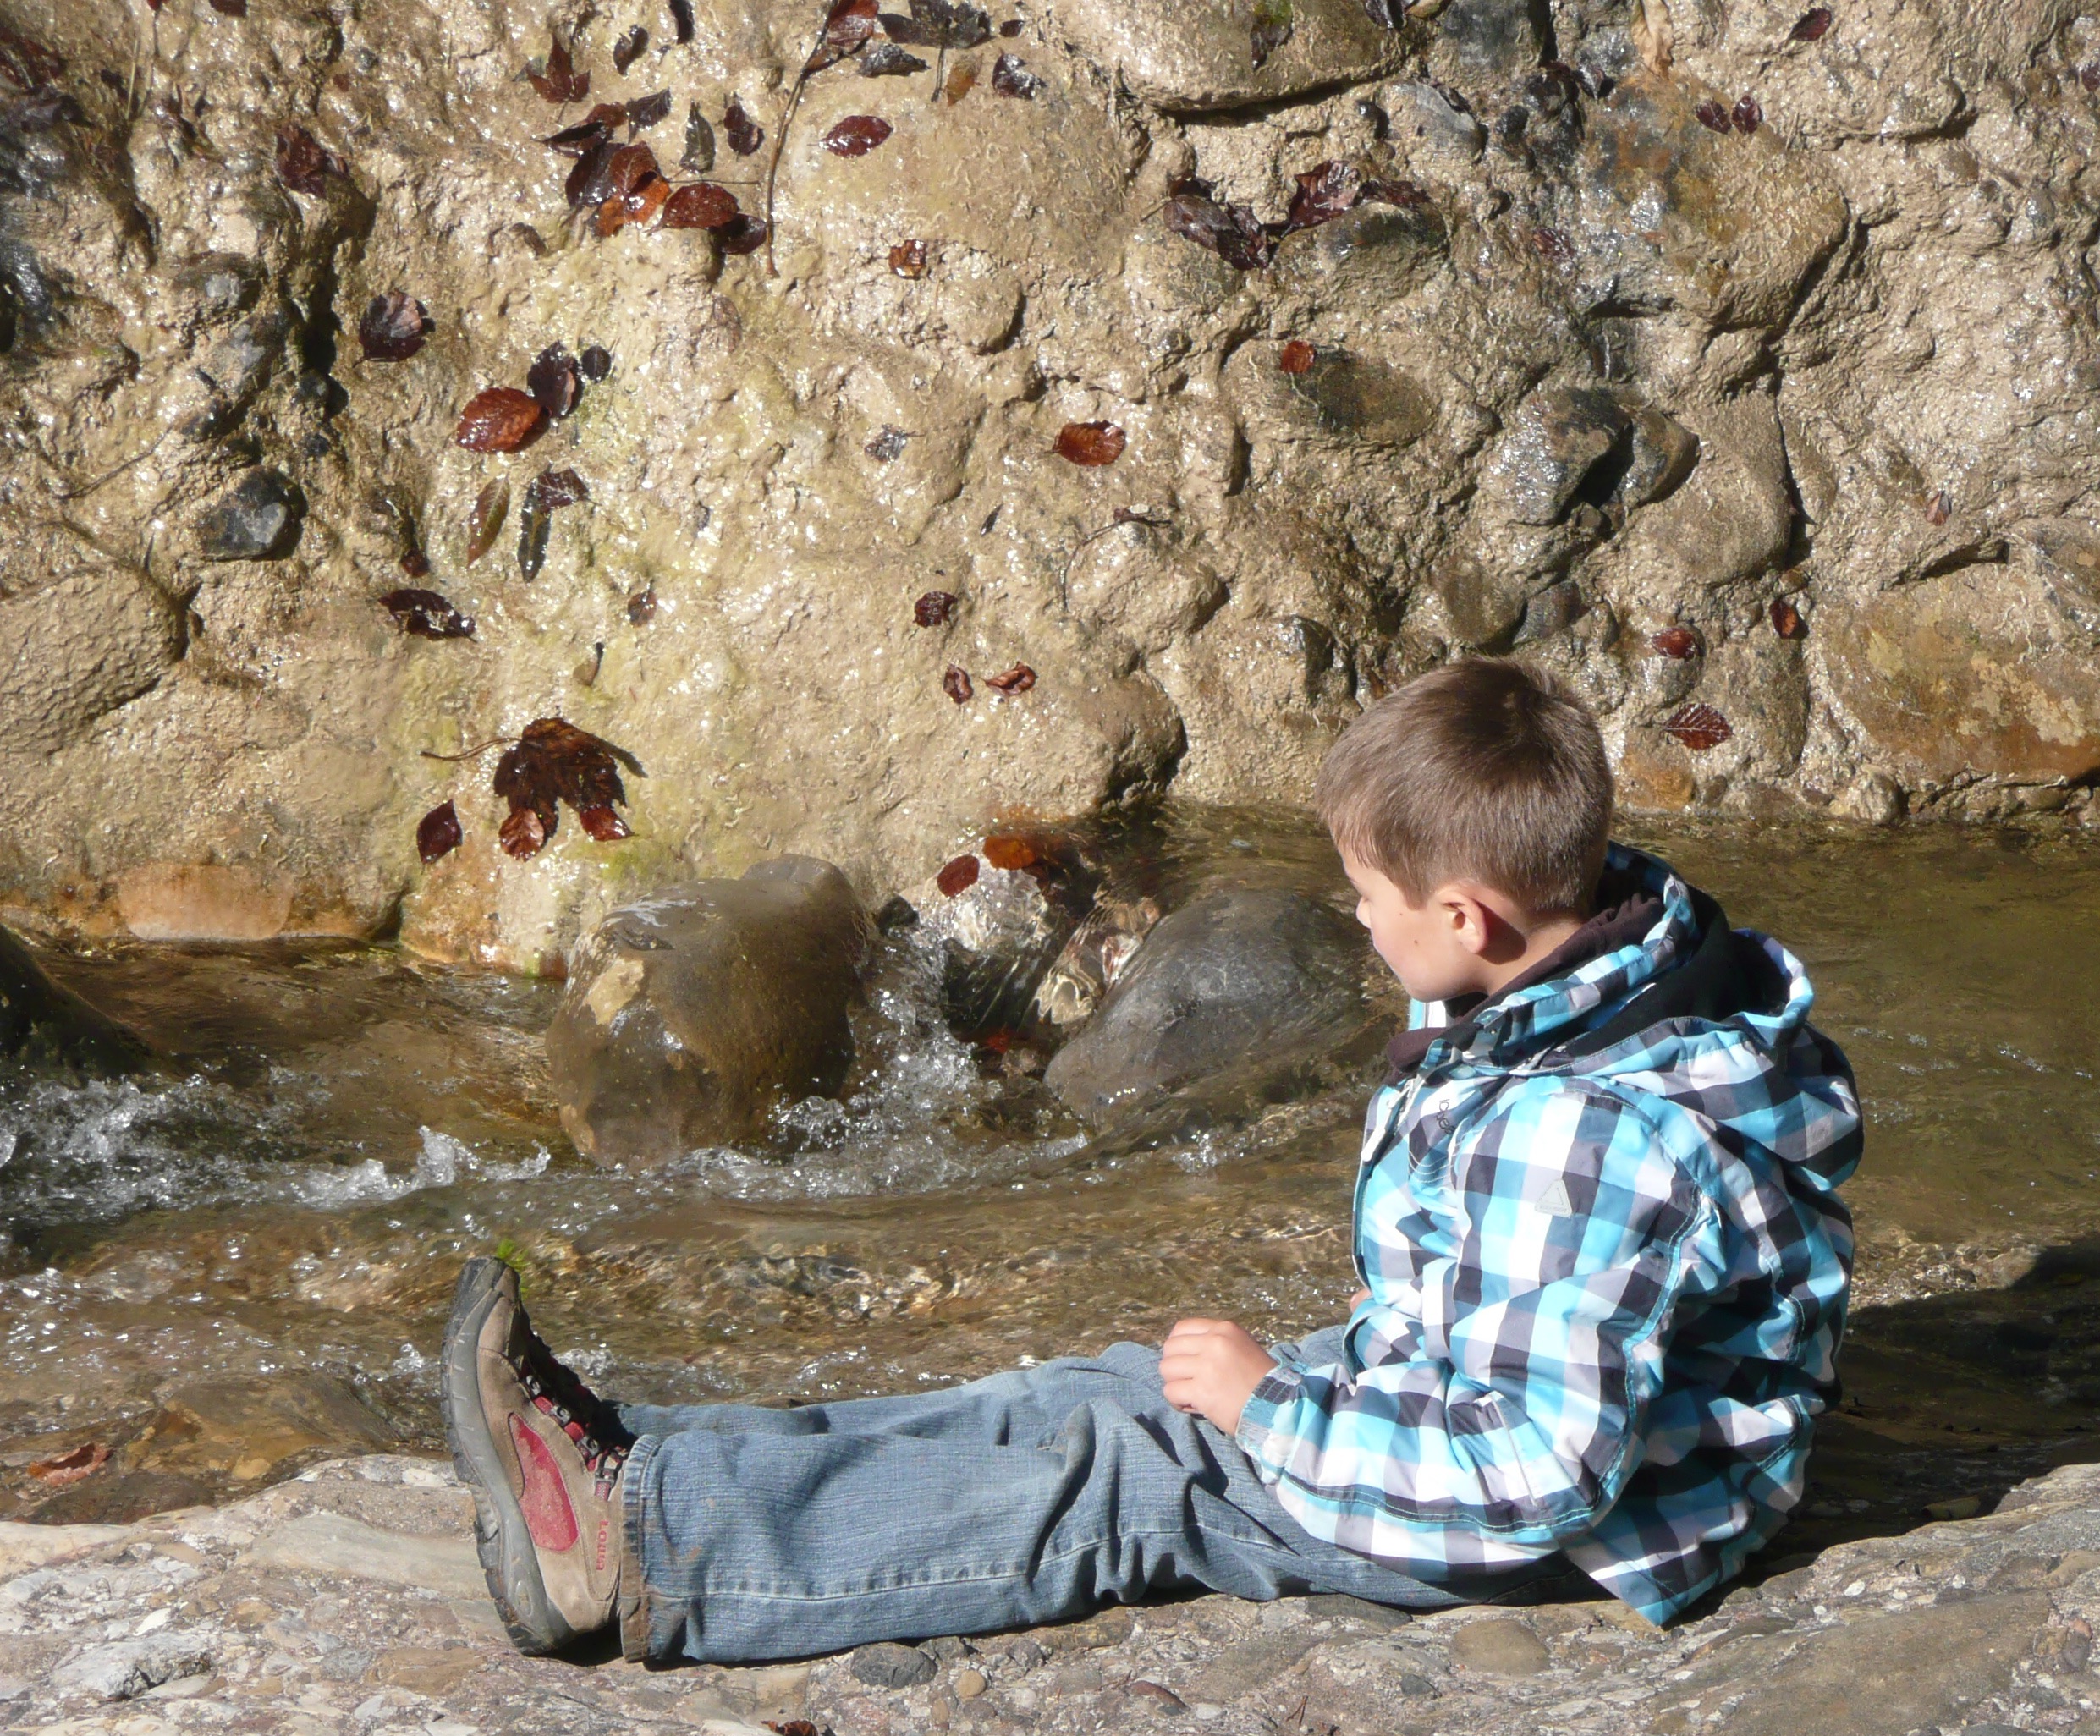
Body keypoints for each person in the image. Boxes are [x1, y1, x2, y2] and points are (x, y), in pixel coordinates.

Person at [443, 660, 1861, 1662]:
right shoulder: (1614, 962)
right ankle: (654, 1459)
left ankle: (641, 1556)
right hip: (1488, 1393)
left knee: (1126, 1471)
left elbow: (1539, 1472)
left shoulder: (1588, 1132)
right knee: (1111, 1390)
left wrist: (1281, 1419)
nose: (1358, 923)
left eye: (1371, 898)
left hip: (1579, 1521)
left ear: (1472, 915)